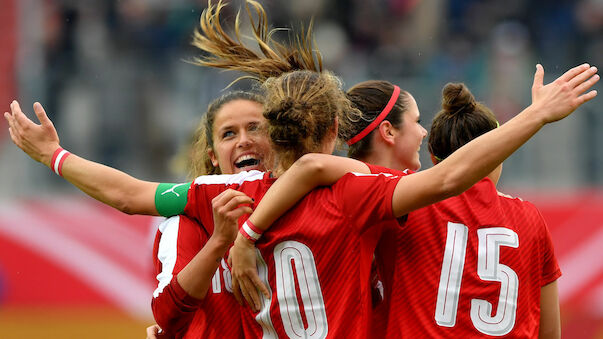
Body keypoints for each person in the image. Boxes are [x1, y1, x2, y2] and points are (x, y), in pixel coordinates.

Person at [5, 58, 599, 339]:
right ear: (328, 127)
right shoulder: (356, 194)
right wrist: (539, 114)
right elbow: (449, 179)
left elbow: (131, 195)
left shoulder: (226, 191)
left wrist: (55, 156)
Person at [150, 90, 272, 337]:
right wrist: (218, 242)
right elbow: (167, 315)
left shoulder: (309, 202)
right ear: (213, 156)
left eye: (255, 128)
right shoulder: (187, 219)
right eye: (229, 133)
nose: (243, 141)